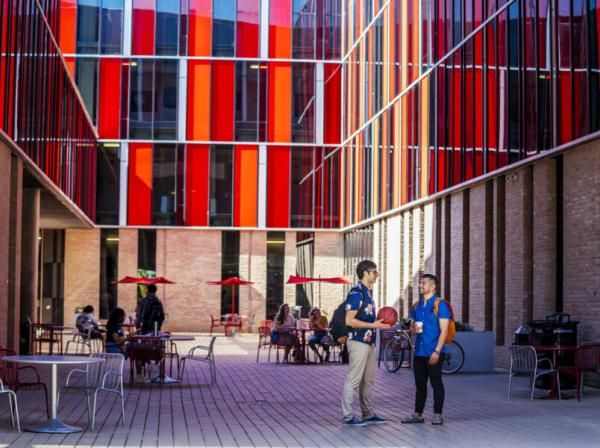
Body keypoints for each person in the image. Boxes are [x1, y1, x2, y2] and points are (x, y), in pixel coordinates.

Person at [341, 260, 390, 427]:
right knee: (353, 380)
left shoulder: (368, 293)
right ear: (366, 273)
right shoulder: (356, 293)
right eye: (375, 272)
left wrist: (375, 322)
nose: (377, 274)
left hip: (369, 342)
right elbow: (349, 320)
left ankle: (368, 415)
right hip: (357, 341)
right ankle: (348, 417)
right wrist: (373, 325)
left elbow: (363, 318)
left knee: (368, 380)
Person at [401, 273, 450, 426]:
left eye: (423, 283)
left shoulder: (440, 305)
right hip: (419, 353)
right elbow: (413, 329)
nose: (420, 285)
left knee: (436, 383)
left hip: (434, 351)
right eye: (420, 283)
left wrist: (437, 351)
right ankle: (418, 414)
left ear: (433, 286)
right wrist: (413, 330)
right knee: (420, 384)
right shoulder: (417, 306)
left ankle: (437, 415)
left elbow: (445, 331)